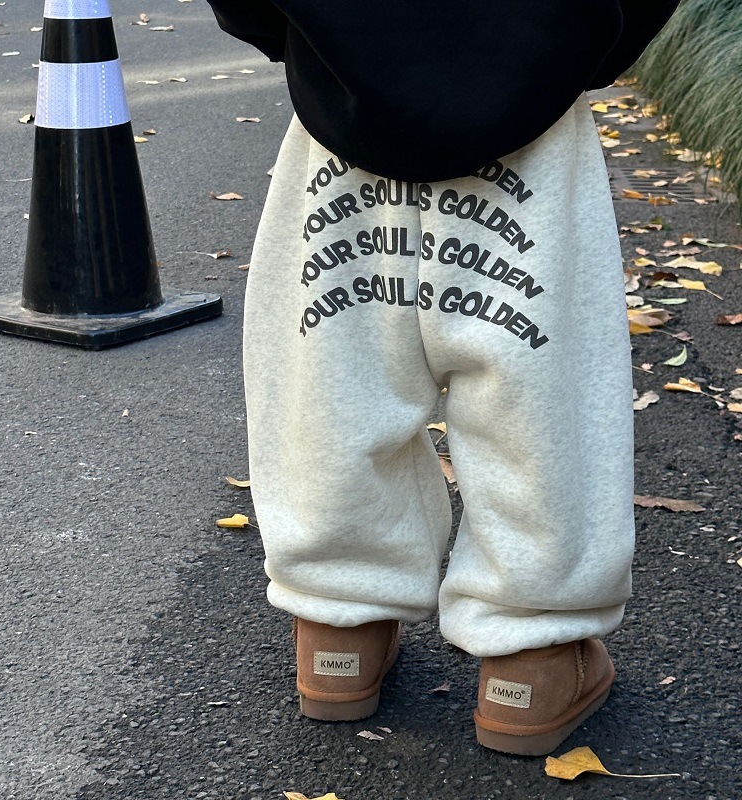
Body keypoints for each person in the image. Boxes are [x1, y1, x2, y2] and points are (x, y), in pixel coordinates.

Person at [206, 0, 679, 756]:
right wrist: (583, 42)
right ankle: (533, 657)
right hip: (536, 86)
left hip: (342, 107)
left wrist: (312, 36)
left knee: (333, 381)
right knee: (540, 397)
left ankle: (340, 628)